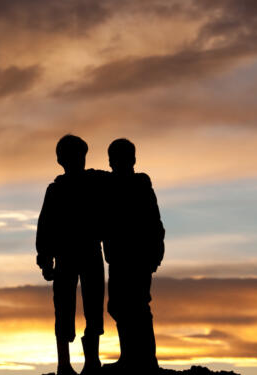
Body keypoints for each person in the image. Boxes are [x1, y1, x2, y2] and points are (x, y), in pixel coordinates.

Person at [36, 134, 105, 375]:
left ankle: (92, 362)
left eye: (81, 155)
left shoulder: (96, 181)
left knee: (93, 307)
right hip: (66, 256)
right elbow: (45, 226)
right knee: (64, 309)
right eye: (74, 155)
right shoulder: (55, 190)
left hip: (90, 253)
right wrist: (45, 259)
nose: (78, 160)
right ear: (61, 160)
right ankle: (64, 364)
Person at [102, 138, 165, 373]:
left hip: (138, 258)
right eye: (111, 159)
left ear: (132, 160)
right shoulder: (109, 184)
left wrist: (155, 253)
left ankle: (146, 360)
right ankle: (130, 357)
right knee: (119, 306)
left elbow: (154, 222)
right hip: (118, 257)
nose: (113, 163)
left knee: (137, 306)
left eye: (117, 158)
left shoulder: (140, 184)